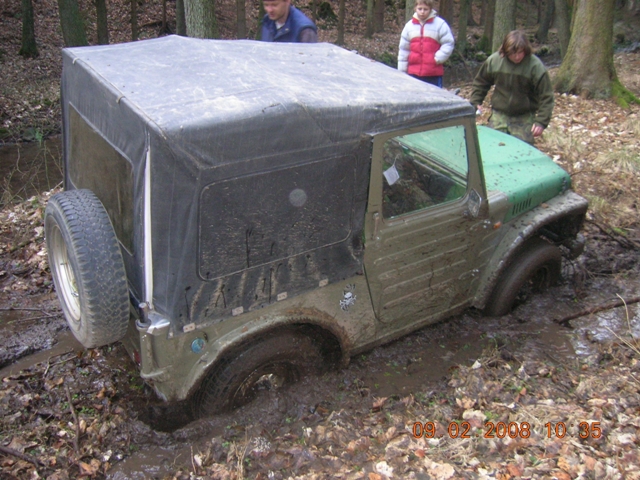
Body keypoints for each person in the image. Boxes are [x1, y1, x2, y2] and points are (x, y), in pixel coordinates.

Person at [470, 30, 554, 145]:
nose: (517, 57)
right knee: (493, 146)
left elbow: (546, 96)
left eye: (520, 52)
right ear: (505, 51)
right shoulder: (495, 61)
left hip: (524, 116)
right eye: (513, 53)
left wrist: (541, 122)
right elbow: (481, 82)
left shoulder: (535, 66)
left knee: (522, 151)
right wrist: (475, 101)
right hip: (499, 114)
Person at [397, 0, 455, 88]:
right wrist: (402, 71)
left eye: (425, 9)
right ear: (415, 8)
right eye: (420, 9)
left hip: (433, 73)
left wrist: (437, 58)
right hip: (413, 72)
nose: (422, 12)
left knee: (435, 98)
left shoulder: (440, 24)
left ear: (430, 9)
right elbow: (404, 49)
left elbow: (448, 43)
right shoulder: (409, 26)